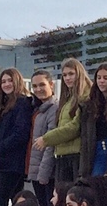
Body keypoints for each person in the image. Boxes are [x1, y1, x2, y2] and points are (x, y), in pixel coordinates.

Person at [0, 68, 35, 206]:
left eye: (10, 80)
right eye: (3, 81)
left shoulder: (22, 103)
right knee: (15, 199)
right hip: (7, 161)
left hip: (13, 161)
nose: (6, 84)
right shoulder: (6, 104)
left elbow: (20, 133)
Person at [33, 58, 88, 187]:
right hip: (63, 155)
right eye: (64, 75)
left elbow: (75, 127)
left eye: (71, 74)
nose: (67, 78)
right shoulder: (68, 98)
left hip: (76, 155)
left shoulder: (85, 96)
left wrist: (46, 139)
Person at [79, 62, 107, 177]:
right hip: (95, 147)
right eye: (98, 78)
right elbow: (85, 135)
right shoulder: (90, 104)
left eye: (106, 78)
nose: (101, 81)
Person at [26, 69, 59, 206]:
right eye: (35, 86)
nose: (38, 89)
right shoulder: (36, 108)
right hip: (35, 169)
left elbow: (50, 143)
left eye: (42, 85)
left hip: (46, 173)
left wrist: (43, 174)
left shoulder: (54, 108)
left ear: (51, 85)